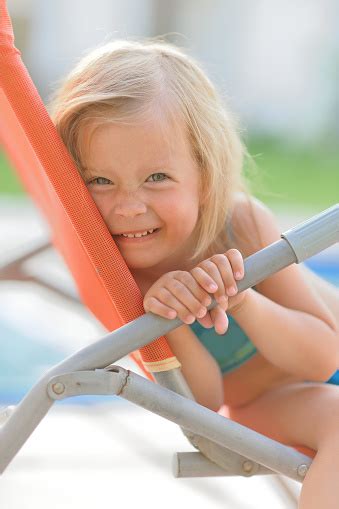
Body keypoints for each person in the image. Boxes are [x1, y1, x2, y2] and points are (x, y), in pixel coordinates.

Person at [49, 39, 339, 508]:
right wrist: (172, 321)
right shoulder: (127, 282)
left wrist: (242, 297)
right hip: (270, 403)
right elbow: (203, 404)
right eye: (99, 180)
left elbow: (323, 355)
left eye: (157, 178)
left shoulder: (241, 226)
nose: (127, 206)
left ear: (205, 176)